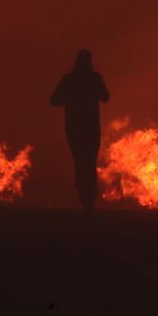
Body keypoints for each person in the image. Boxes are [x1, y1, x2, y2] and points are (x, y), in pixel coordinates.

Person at [50, 49, 110, 210]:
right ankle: (88, 200)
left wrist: (70, 97)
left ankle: (85, 199)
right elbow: (105, 97)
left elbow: (54, 100)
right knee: (89, 163)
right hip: (90, 128)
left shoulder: (69, 80)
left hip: (74, 128)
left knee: (81, 163)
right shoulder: (94, 78)